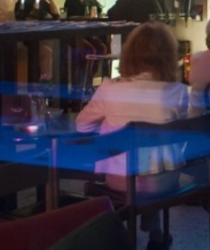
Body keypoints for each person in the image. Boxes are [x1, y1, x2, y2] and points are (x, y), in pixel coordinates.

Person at [75, 22, 188, 250]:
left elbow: (82, 125)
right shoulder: (178, 92)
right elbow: (182, 133)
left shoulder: (109, 88)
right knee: (151, 161)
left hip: (121, 179)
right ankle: (156, 233)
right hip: (165, 180)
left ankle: (122, 235)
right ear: (168, 56)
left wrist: (109, 125)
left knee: (132, 158)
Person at [13, 0, 60, 81]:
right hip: (29, 36)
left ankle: (53, 79)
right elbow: (22, 19)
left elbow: (56, 16)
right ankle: (45, 79)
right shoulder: (24, 2)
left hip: (44, 34)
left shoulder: (44, 3)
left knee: (57, 46)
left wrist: (50, 0)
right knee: (47, 50)